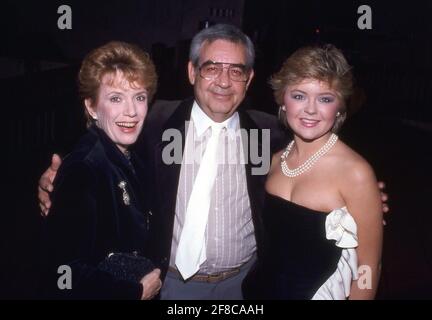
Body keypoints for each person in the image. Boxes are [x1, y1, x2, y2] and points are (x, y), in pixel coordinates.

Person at [38, 25, 388, 300]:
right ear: (192, 72)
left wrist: (366, 198)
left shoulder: (270, 134)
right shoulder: (152, 123)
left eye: (236, 70)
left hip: (245, 284)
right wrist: (58, 178)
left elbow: (321, 171)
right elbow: (104, 154)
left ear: (249, 79)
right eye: (211, 68)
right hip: (167, 284)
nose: (223, 81)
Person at [242, 44, 383, 299]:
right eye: (299, 96)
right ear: (282, 101)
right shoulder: (271, 159)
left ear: (340, 107)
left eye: (325, 99)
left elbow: (368, 266)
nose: (310, 109)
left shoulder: (356, 173)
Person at [37, 41, 162, 299]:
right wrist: (134, 292)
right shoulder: (85, 168)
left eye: (139, 97)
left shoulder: (131, 154)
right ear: (91, 107)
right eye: (116, 98)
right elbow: (62, 272)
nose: (131, 111)